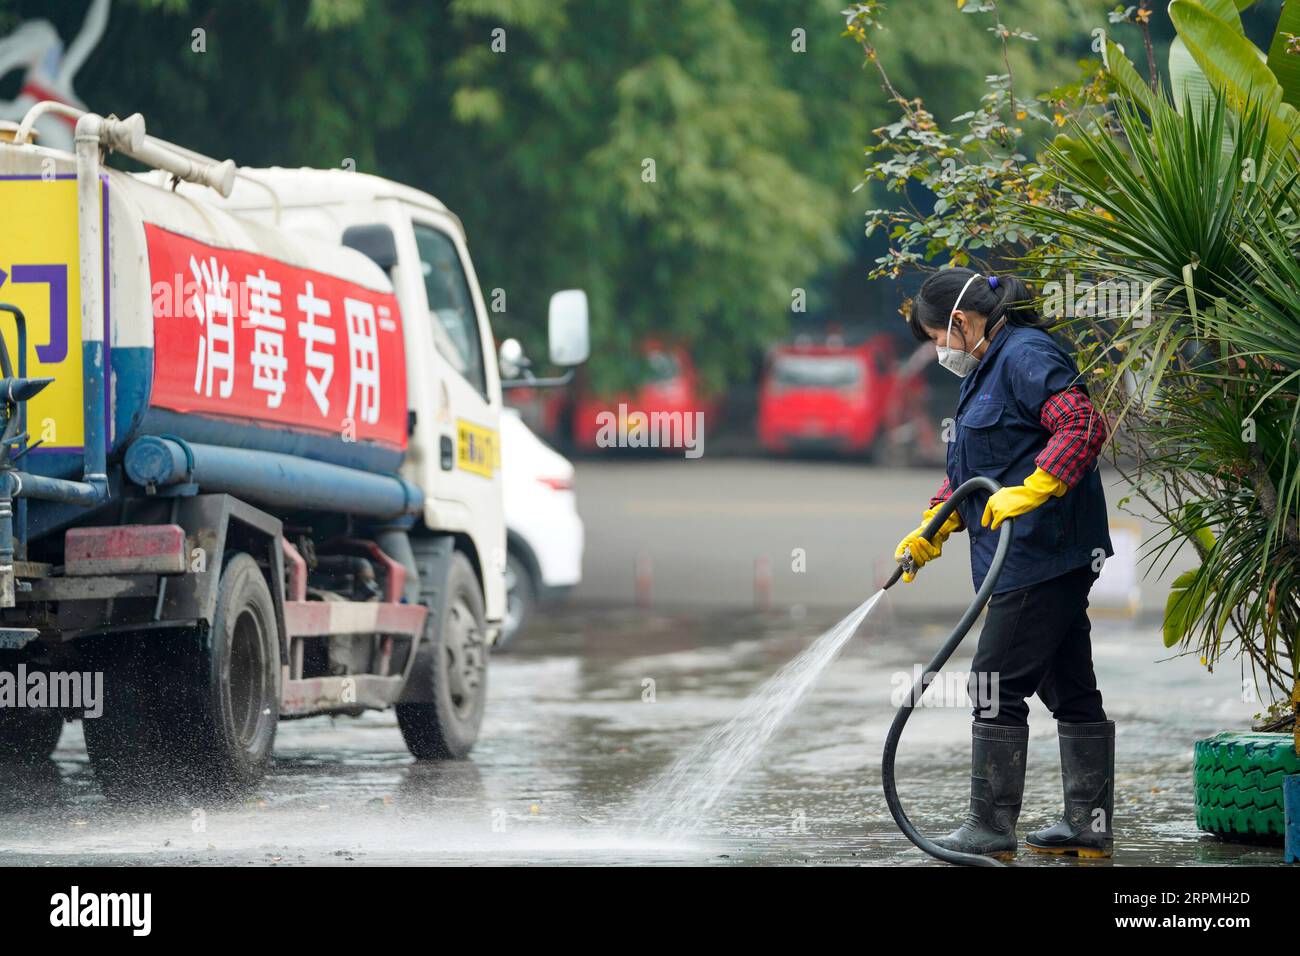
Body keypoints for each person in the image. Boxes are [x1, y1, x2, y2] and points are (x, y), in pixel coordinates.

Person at [894, 267, 1115, 859]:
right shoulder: (986, 366)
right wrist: (934, 524)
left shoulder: (1025, 354)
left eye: (938, 336)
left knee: (993, 684)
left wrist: (1038, 486)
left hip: (1043, 552)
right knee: (1071, 688)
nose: (938, 349)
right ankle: (1087, 827)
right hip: (1026, 554)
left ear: (962, 322)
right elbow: (975, 467)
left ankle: (991, 828)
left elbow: (1083, 425)